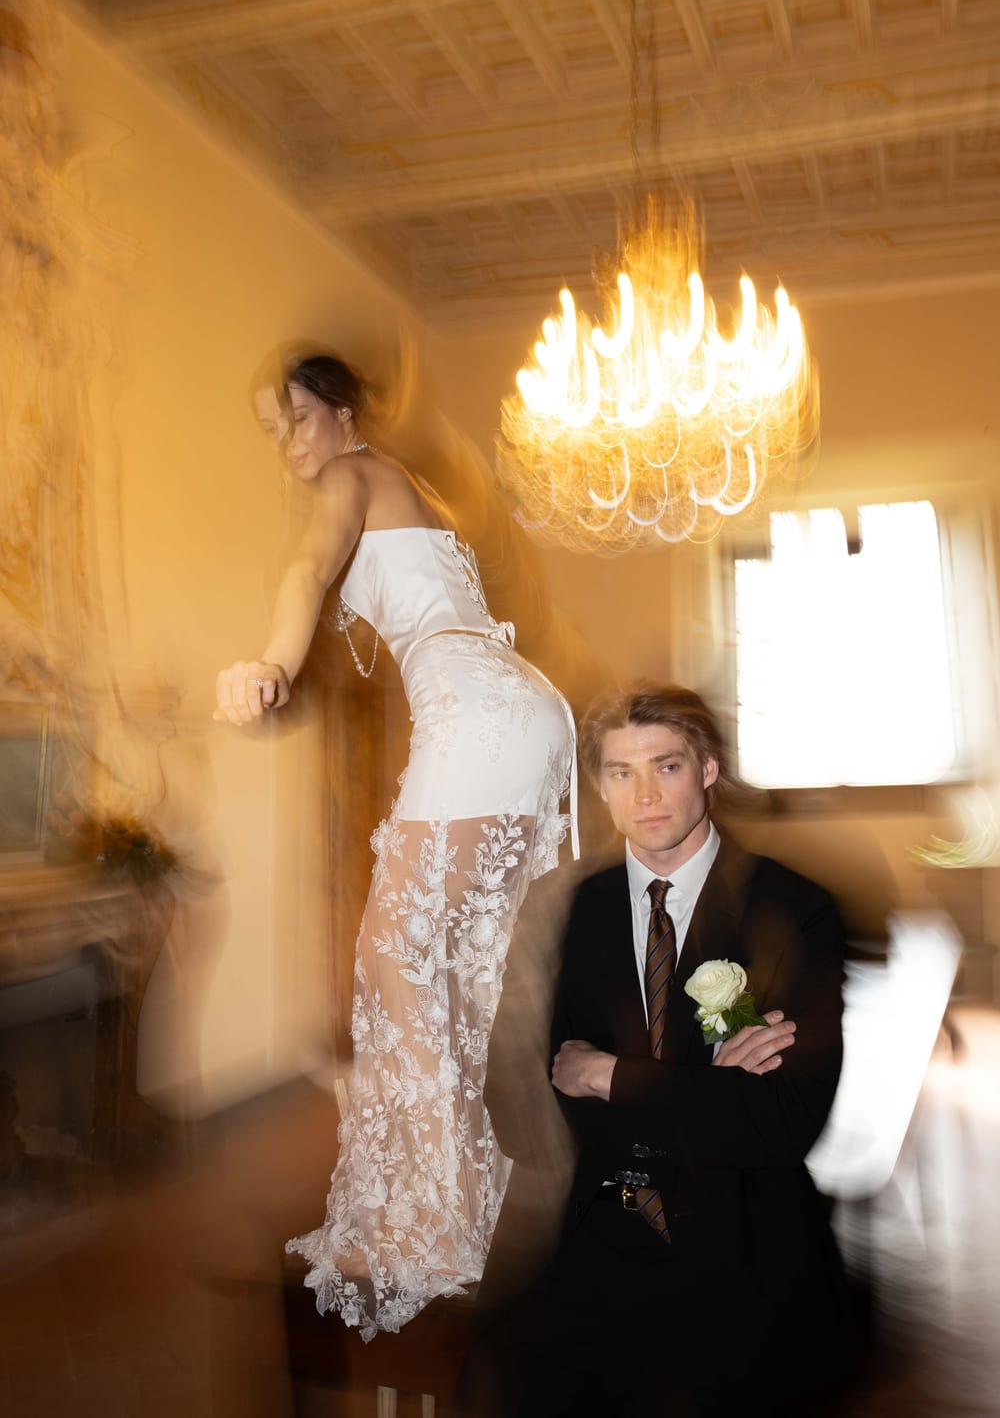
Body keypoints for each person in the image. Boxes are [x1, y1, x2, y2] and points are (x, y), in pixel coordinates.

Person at [214, 352, 576, 1341]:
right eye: (274, 431)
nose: (290, 445)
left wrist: (270, 662)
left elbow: (306, 568)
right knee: (453, 968)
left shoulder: (351, 474)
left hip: (478, 712)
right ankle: (474, 1194)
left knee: (393, 955)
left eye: (298, 419)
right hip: (514, 710)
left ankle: (436, 1221)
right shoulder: (408, 486)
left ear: (341, 414)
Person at [480, 682, 855, 1417]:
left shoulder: (793, 908)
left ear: (708, 768)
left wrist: (610, 1076)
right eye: (621, 772)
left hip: (747, 1257)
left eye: (668, 766)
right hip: (596, 1253)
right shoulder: (558, 907)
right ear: (599, 786)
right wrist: (706, 1086)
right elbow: (521, 1103)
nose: (645, 794)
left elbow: (786, 1122)